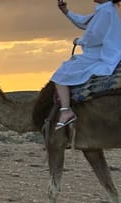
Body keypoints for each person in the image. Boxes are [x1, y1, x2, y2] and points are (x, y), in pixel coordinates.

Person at [51, 0, 121, 130]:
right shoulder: (105, 9)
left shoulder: (106, 11)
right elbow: (85, 23)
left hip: (99, 55)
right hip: (101, 52)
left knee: (60, 75)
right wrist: (66, 11)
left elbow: (95, 36)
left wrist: (80, 41)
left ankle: (66, 111)